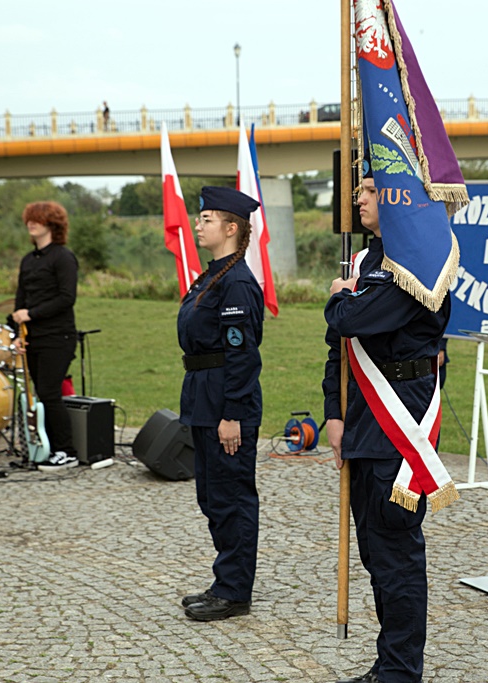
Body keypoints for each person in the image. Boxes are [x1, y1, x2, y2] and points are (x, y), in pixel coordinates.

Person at [323, 170, 451, 683]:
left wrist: (338, 297)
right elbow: (340, 348)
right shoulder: (366, 260)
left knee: (396, 554)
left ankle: (401, 670)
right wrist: (334, 410)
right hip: (361, 421)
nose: (359, 197)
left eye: (371, 190)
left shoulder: (417, 263)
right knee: (375, 553)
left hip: (400, 425)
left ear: (399, 198)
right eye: (360, 190)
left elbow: (352, 320)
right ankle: (388, 663)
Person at [178, 186, 264, 622]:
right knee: (212, 497)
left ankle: (234, 592)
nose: (199, 223)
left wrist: (232, 414)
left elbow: (243, 355)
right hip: (204, 394)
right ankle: (225, 581)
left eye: (208, 218)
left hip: (226, 401)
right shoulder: (212, 274)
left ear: (232, 228)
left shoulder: (236, 282)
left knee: (231, 497)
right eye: (201, 217)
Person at [10, 201, 79, 472]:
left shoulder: (62, 257)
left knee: (50, 394)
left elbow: (66, 298)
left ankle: (67, 452)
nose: (31, 223)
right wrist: (18, 333)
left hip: (58, 338)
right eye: (29, 219)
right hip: (33, 339)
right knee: (40, 395)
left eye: (37, 219)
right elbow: (20, 299)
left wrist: (32, 314)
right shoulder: (28, 260)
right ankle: (46, 447)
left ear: (52, 224)